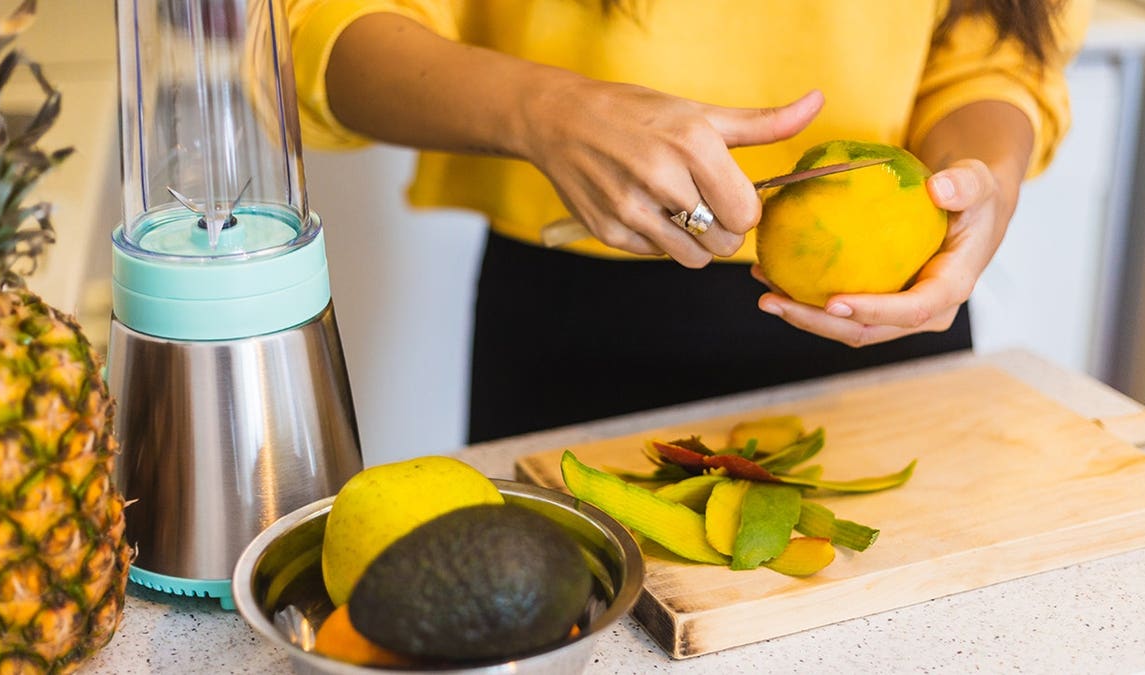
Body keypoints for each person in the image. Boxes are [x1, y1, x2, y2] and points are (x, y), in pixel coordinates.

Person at [284, 0, 1091, 443]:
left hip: (893, 321)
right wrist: (546, 109)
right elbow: (322, 27)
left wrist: (981, 184)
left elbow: (997, 53)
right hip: (575, 323)